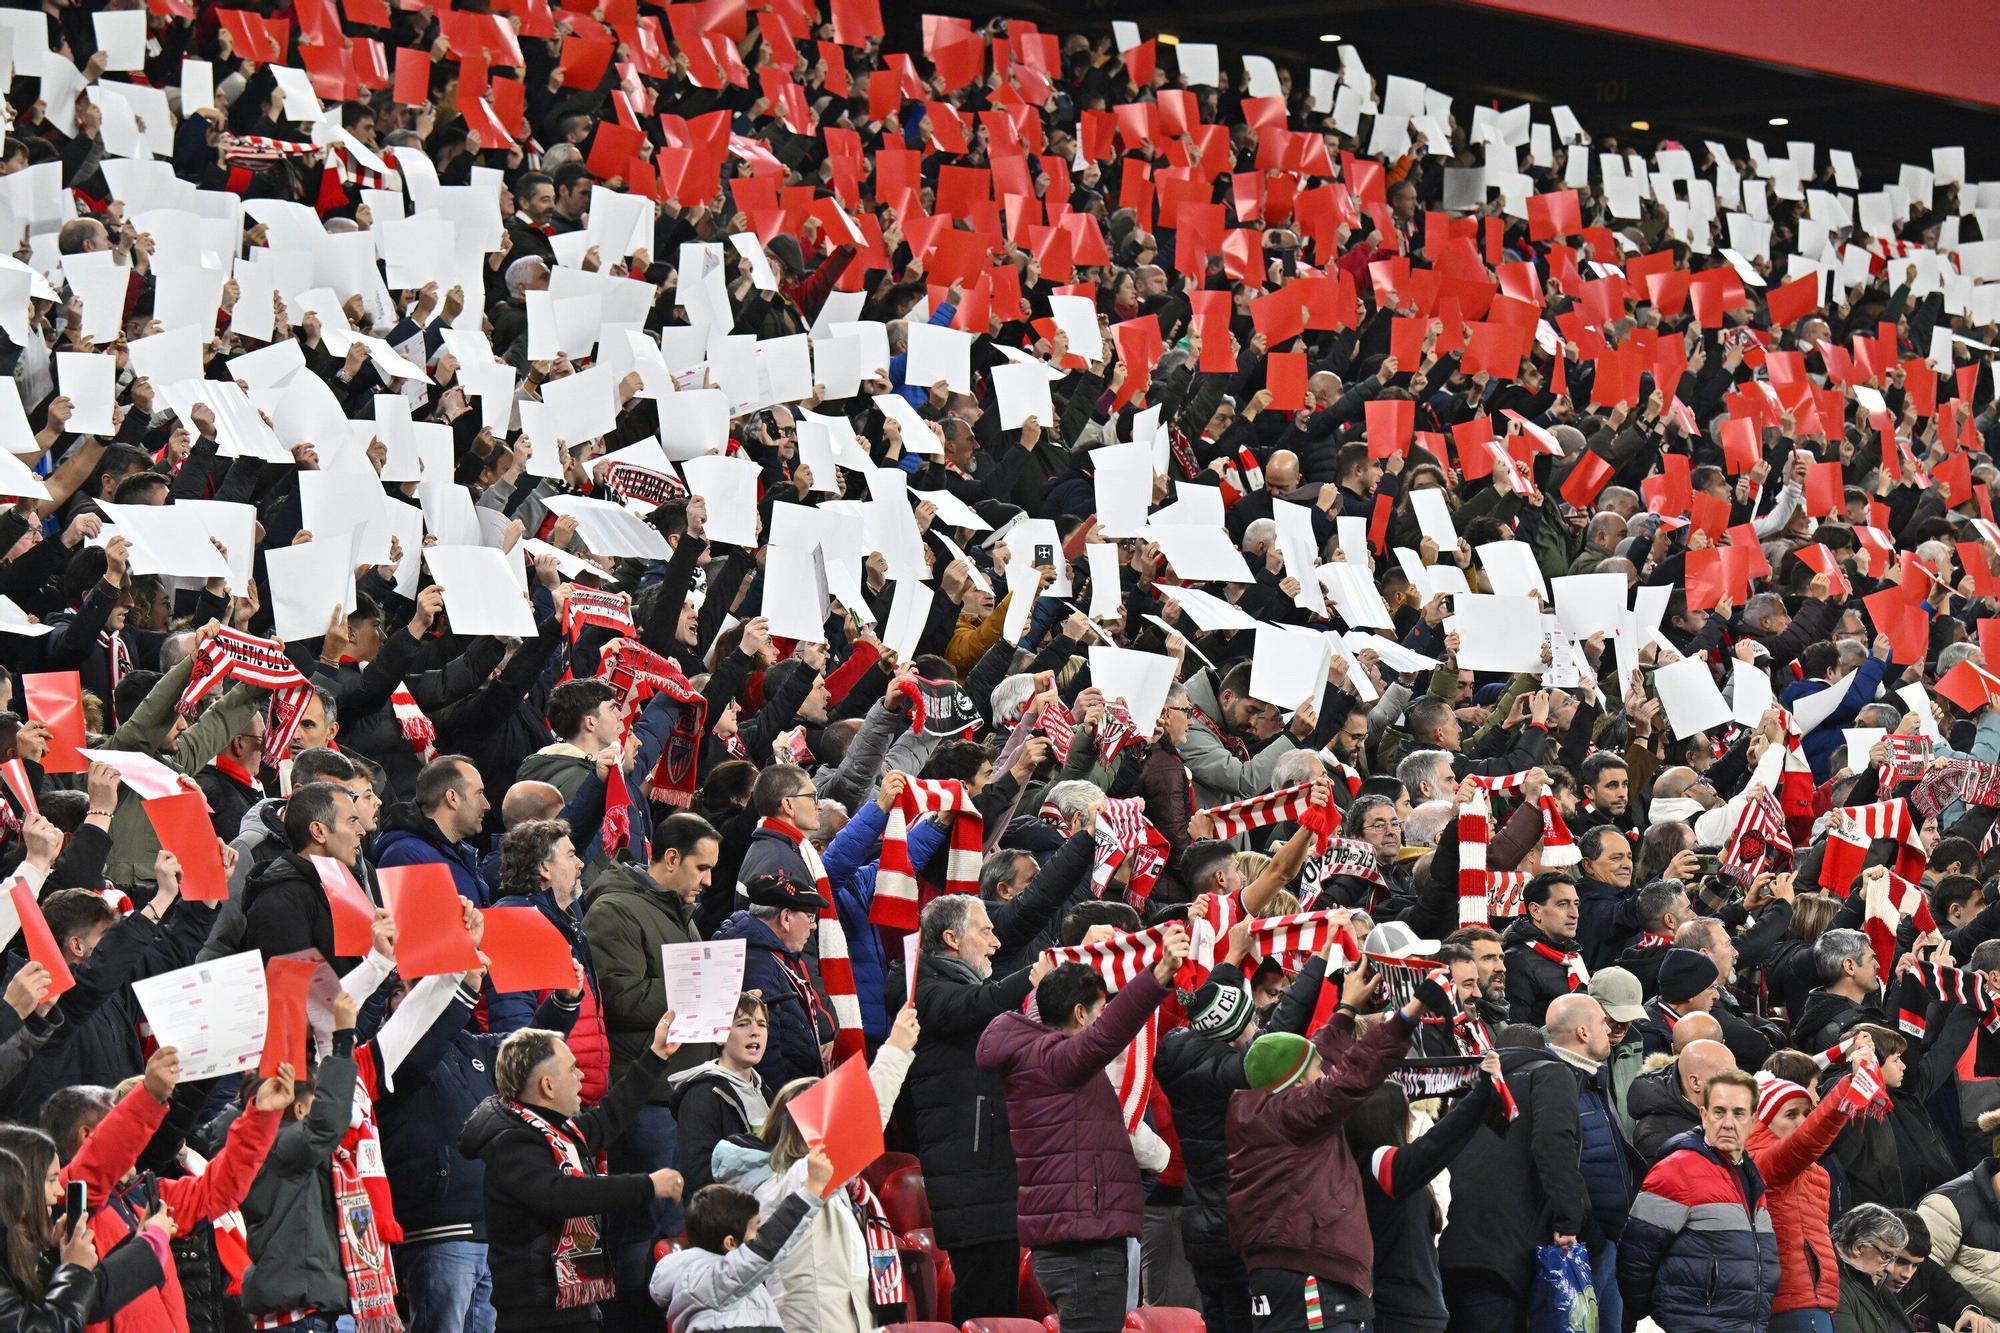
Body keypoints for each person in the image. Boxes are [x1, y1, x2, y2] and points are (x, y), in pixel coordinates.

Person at [976, 923, 1190, 1333]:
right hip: (1084, 1249)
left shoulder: (1034, 1051)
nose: (1102, 1019)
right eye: (1098, 1010)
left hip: (1073, 1242)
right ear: (1079, 1014)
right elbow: (1107, 1037)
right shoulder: (1057, 1062)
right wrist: (1159, 975)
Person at [1225, 956, 1452, 1332]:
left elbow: (1325, 1060)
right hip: (1308, 1272)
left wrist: (1346, 1010)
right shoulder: (1294, 1115)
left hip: (1298, 1270)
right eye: (1316, 1071)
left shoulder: (1269, 1112)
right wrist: (1410, 1012)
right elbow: (1349, 1079)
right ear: (1298, 1084)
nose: (1324, 1073)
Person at [457, 1011, 688, 1332]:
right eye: (571, 1068)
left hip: (571, 1307)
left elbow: (610, 1116)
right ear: (547, 1085)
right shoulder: (512, 1143)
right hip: (537, 1318)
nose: (581, 1076)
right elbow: (562, 1194)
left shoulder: (556, 1134)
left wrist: (656, 1055)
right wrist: (647, 1185)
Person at [904, 892, 1047, 1321]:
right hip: (970, 1174)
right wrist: (1034, 975)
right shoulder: (924, 990)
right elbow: (974, 1007)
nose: (996, 942)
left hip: (987, 1173)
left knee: (996, 1294)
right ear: (951, 938)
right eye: (985, 931)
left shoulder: (960, 983)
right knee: (983, 1299)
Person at [1619, 1068, 1782, 1332]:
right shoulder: (1677, 1169)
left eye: (1738, 1113)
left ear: (1753, 1120)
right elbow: (1635, 1259)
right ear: (1704, 1116)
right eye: (1719, 1112)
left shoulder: (1751, 1176)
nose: (1728, 1123)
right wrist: (1655, 1320)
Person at [1750, 1040, 1875, 1333]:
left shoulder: (1815, 1172)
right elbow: (1808, 1139)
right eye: (1790, 1114)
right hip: (1786, 1303)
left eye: (1806, 1113)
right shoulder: (1759, 1160)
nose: (1804, 1122)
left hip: (1816, 1300)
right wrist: (1852, 1084)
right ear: (1762, 1119)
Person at [647, 1146, 833, 1333]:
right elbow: (767, 1246)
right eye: (755, 1229)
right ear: (730, 1243)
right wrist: (811, 1190)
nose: (759, 1235)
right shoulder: (713, 1280)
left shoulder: (708, 1279)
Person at [375, 755, 495, 906]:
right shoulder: (405, 856)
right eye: (479, 793)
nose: (486, 805)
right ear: (452, 798)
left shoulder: (460, 851)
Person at [1829, 1204, 1914, 1333]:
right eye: (1886, 1257)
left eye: (1893, 1259)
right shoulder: (1833, 1288)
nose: (1890, 1269)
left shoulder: (1870, 1282)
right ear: (1858, 1248)